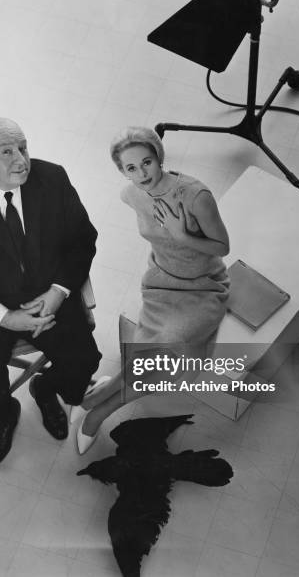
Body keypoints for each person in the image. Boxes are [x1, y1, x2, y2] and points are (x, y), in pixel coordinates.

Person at [0, 117, 101, 464]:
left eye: (23, 148)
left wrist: (58, 292)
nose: (21, 160)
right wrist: (5, 317)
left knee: (84, 362)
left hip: (47, 296)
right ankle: (3, 415)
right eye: (7, 151)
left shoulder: (53, 178)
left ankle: (46, 388)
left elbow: (83, 240)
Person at [75, 126, 230, 453]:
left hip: (202, 287)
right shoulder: (130, 194)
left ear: (159, 158)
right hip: (161, 281)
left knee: (169, 353)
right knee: (151, 352)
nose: (141, 173)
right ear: (121, 171)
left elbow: (222, 247)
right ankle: (102, 398)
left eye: (147, 162)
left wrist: (181, 233)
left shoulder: (196, 195)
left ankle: (100, 405)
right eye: (130, 168)